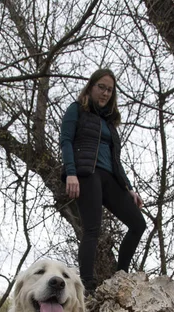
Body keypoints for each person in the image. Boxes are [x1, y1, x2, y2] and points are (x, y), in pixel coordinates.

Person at [60, 68, 147, 293]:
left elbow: (116, 161)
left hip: (110, 177)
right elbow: (66, 141)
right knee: (92, 229)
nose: (106, 93)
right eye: (102, 87)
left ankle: (121, 277)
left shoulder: (109, 124)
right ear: (91, 86)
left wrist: (128, 189)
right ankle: (87, 285)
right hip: (86, 173)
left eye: (110, 90)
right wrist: (71, 172)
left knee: (138, 224)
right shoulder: (77, 109)